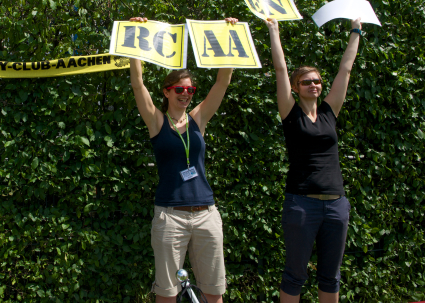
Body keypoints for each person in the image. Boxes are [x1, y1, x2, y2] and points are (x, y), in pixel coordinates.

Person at [128, 16, 238, 303]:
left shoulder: (198, 118)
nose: (186, 94)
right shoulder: (156, 121)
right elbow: (138, 84)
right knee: (167, 293)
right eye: (180, 89)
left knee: (214, 292)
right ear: (167, 92)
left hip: (206, 214)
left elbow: (223, 81)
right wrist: (136, 38)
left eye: (190, 90)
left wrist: (229, 35)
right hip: (170, 216)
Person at [265, 16, 363, 303]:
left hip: (336, 205)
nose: (313, 85)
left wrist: (356, 31)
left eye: (317, 81)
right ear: (295, 87)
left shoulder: (330, 112)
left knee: (331, 276)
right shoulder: (290, 113)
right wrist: (274, 30)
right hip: (301, 204)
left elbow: (345, 69)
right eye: (306, 81)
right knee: (295, 275)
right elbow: (280, 69)